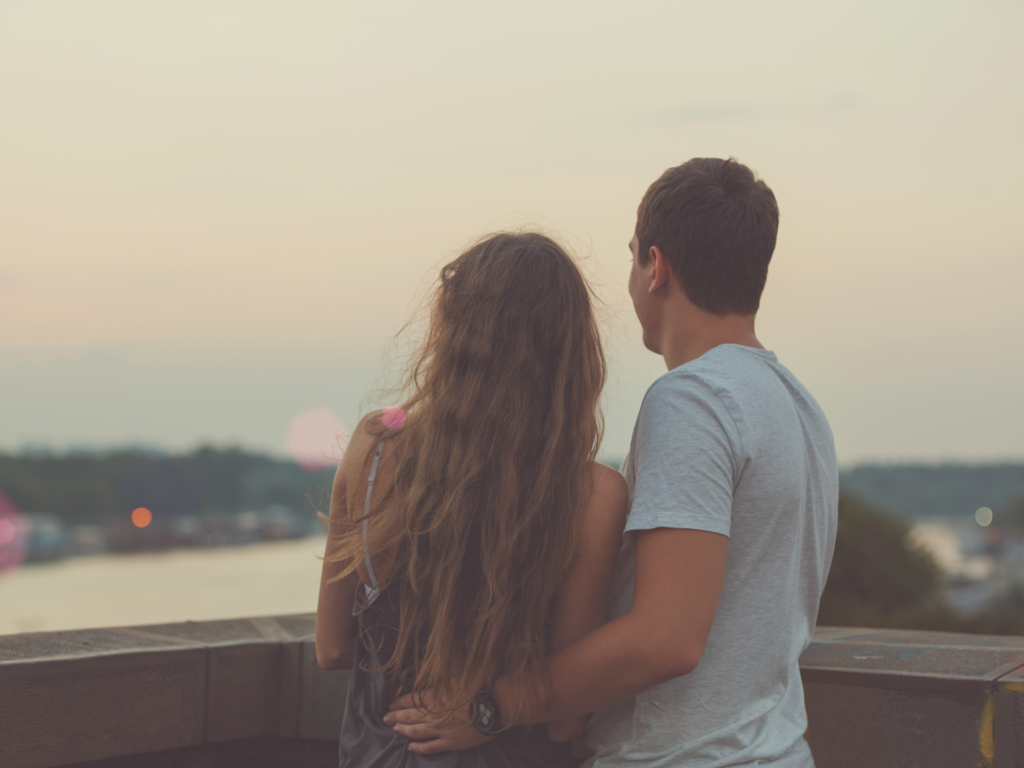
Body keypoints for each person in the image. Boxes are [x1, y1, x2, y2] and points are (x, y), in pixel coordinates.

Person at [386, 158, 839, 768]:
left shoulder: (692, 400)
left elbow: (667, 639)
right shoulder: (800, 407)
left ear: (659, 268)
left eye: (633, 258)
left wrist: (490, 705)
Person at [315, 232, 630, 767]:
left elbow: (333, 648)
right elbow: (565, 720)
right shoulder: (592, 495)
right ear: (572, 349)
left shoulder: (372, 448)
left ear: (453, 332)